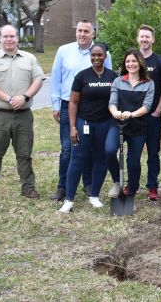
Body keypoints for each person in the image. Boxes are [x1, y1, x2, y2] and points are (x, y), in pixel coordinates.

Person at [0, 25, 45, 201]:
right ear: (0, 38)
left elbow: (38, 80)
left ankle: (28, 187)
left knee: (24, 153)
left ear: (17, 38)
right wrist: (8, 99)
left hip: (23, 115)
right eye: (5, 36)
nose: (9, 39)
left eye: (12, 36)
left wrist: (25, 97)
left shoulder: (29, 58)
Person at [50, 19, 112, 201]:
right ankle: (63, 187)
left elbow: (108, 80)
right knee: (68, 148)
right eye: (79, 31)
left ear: (93, 34)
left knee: (91, 148)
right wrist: (55, 105)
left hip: (94, 108)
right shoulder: (64, 51)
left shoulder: (102, 52)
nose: (82, 34)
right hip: (68, 105)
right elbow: (55, 78)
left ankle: (89, 183)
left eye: (86, 31)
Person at [58, 44, 118, 213]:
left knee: (100, 158)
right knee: (77, 159)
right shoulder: (82, 76)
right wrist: (72, 127)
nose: (96, 58)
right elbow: (73, 102)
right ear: (90, 56)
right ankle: (69, 200)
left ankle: (94, 195)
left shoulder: (113, 76)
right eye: (93, 55)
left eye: (100, 55)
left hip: (105, 123)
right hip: (84, 122)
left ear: (105, 56)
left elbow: (117, 99)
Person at [104, 49, 154, 198]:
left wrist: (131, 114)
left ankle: (131, 190)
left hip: (138, 126)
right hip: (118, 124)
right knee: (109, 150)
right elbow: (112, 102)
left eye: (134, 61)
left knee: (133, 161)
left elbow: (147, 106)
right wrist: (115, 112)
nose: (131, 64)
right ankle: (117, 181)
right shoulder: (118, 81)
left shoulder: (149, 83)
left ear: (140, 63)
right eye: (128, 61)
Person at [138, 25, 161, 201]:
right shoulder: (132, 60)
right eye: (142, 36)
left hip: (152, 117)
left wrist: (158, 111)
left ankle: (152, 186)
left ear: (153, 39)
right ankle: (132, 184)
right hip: (135, 117)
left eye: (147, 37)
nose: (144, 39)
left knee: (153, 153)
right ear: (138, 39)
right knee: (134, 153)